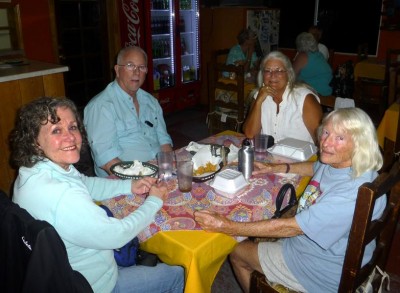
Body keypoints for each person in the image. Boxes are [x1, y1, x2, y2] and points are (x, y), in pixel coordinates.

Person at [195, 107, 385, 293]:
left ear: (360, 144)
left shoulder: (350, 193)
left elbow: (291, 228)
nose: (326, 143)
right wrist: (275, 168)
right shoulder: (346, 163)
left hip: (320, 270)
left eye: (340, 138)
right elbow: (315, 167)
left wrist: (228, 227)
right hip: (326, 252)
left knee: (237, 252)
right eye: (326, 132)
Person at [10, 97, 184, 293]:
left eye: (73, 127)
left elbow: (85, 183)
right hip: (93, 285)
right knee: (177, 275)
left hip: (63, 267)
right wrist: (154, 200)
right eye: (56, 130)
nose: (70, 137)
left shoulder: (33, 169)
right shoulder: (62, 195)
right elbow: (117, 235)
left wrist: (130, 186)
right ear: (35, 141)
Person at [84, 46, 173, 177]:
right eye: (130, 65)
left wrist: (168, 171)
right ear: (117, 70)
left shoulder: (151, 101)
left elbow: (164, 141)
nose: (136, 72)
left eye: (141, 67)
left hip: (158, 172)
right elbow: (107, 160)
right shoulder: (101, 106)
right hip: (125, 181)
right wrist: (139, 180)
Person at [243, 50, 323, 145]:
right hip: (269, 157)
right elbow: (250, 134)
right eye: (268, 71)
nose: (273, 75)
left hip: (301, 159)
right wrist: (259, 102)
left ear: (288, 74)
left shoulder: (305, 99)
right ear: (262, 75)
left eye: (279, 70)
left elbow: (322, 140)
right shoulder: (259, 95)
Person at [292, 32, 333, 96]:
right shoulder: (319, 55)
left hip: (315, 93)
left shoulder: (302, 56)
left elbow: (291, 75)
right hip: (327, 91)